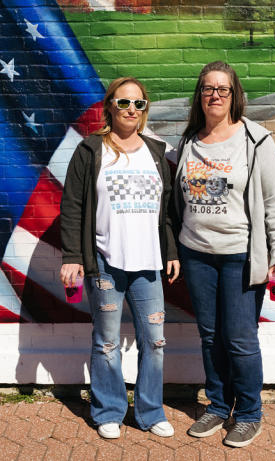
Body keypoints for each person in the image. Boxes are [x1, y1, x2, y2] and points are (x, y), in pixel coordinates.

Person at [174, 61, 275, 448]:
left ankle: (248, 414)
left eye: (222, 89)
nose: (215, 96)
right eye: (208, 89)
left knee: (240, 338)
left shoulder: (256, 141)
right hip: (196, 254)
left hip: (240, 256)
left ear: (234, 95)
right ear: (200, 95)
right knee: (210, 337)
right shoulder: (189, 140)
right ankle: (217, 404)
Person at [59, 77, 179, 439]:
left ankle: (149, 411)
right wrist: (72, 256)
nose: (131, 110)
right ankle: (108, 410)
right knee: (107, 343)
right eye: (124, 103)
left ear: (146, 110)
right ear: (110, 105)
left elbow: (168, 211)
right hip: (106, 263)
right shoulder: (90, 150)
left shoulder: (157, 151)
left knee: (155, 342)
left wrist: (171, 251)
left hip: (149, 265)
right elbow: (73, 206)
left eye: (139, 105)